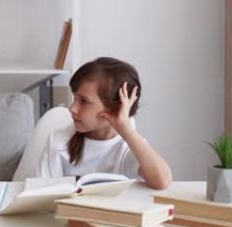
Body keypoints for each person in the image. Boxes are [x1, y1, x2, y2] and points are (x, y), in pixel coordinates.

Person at [36, 57, 172, 189]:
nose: (72, 108)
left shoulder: (129, 147)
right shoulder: (58, 141)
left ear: (115, 108)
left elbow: (162, 181)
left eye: (84, 101)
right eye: (74, 97)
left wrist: (127, 130)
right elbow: (42, 195)